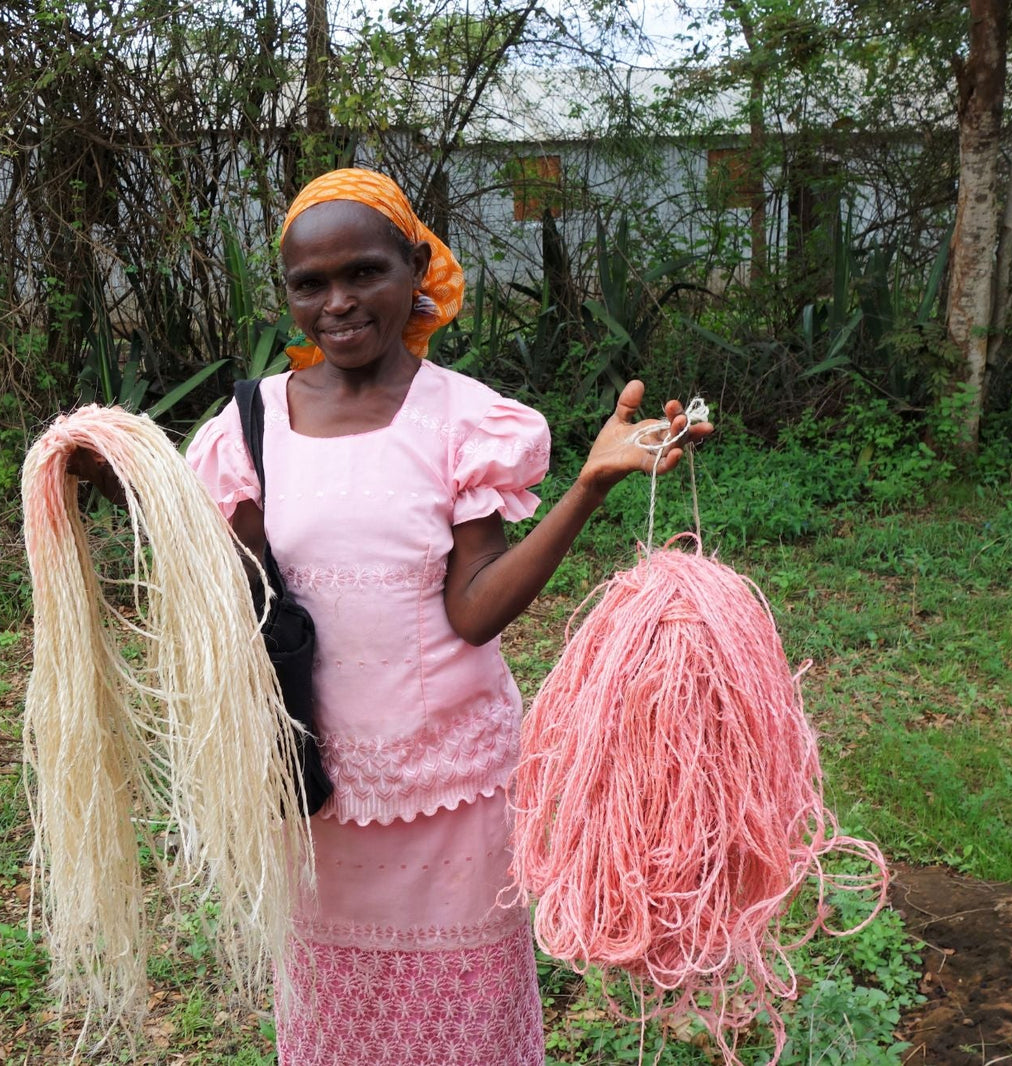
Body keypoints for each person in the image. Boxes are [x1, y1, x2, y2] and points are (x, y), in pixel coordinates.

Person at [173, 168, 711, 1065]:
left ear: (415, 269)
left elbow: (472, 613)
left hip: (449, 780)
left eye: (364, 273)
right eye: (311, 284)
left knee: (465, 1018)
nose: (338, 303)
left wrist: (589, 484)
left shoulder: (463, 421)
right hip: (314, 788)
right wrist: (128, 492)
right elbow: (237, 597)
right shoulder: (251, 426)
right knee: (336, 1021)